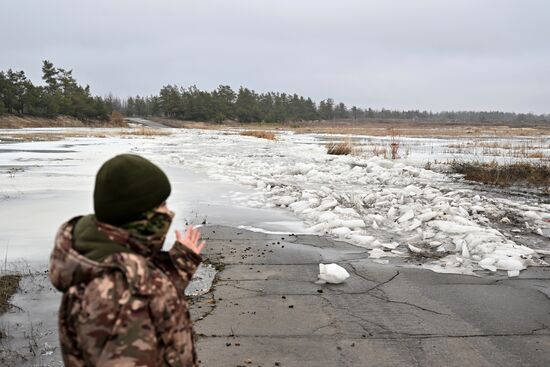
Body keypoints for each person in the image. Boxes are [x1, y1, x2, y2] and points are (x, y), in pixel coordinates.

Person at [49, 154, 206, 366]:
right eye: (162, 204)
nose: (169, 212)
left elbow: (149, 295)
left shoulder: (109, 252)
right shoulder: (117, 292)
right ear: (137, 213)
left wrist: (180, 264)